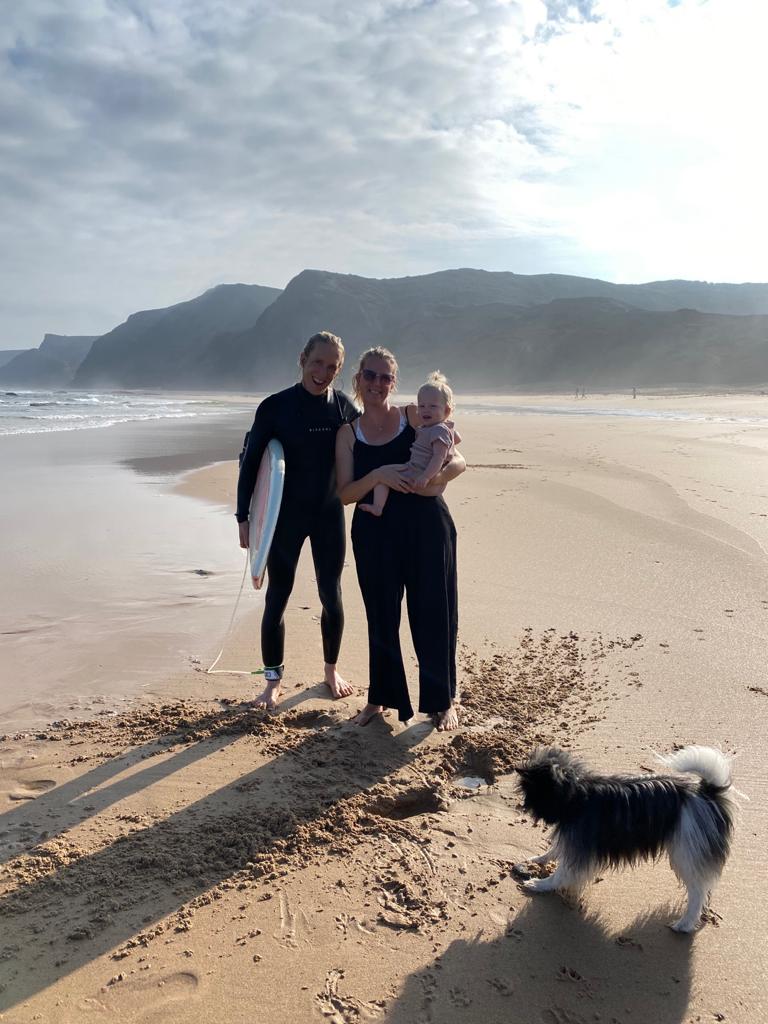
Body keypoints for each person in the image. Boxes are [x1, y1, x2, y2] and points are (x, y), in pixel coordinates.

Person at [335, 347, 465, 731]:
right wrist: (378, 476)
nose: (377, 383)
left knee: (434, 613)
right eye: (369, 375)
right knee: (381, 616)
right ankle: (380, 697)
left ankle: (443, 701)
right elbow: (344, 494)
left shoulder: (417, 414)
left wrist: (439, 479)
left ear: (394, 382)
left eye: (385, 377)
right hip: (374, 534)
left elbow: (459, 459)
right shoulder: (347, 433)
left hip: (427, 527)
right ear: (358, 379)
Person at [236, 331, 359, 710]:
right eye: (317, 362)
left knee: (331, 594)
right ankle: (272, 681)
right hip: (283, 518)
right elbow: (253, 461)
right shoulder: (275, 407)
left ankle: (330, 669)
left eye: (332, 367)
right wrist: (244, 517)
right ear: (302, 358)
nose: (323, 372)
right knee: (278, 596)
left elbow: (372, 443)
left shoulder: (342, 407)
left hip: (327, 513)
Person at [358, 371, 461, 516]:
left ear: (447, 410)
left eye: (432, 406)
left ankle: (378, 507)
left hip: (420, 474)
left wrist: (426, 477)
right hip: (417, 471)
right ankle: (378, 507)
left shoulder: (438, 430)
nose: (426, 410)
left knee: (382, 478)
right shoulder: (432, 428)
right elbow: (456, 438)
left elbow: (439, 457)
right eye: (422, 405)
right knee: (384, 474)